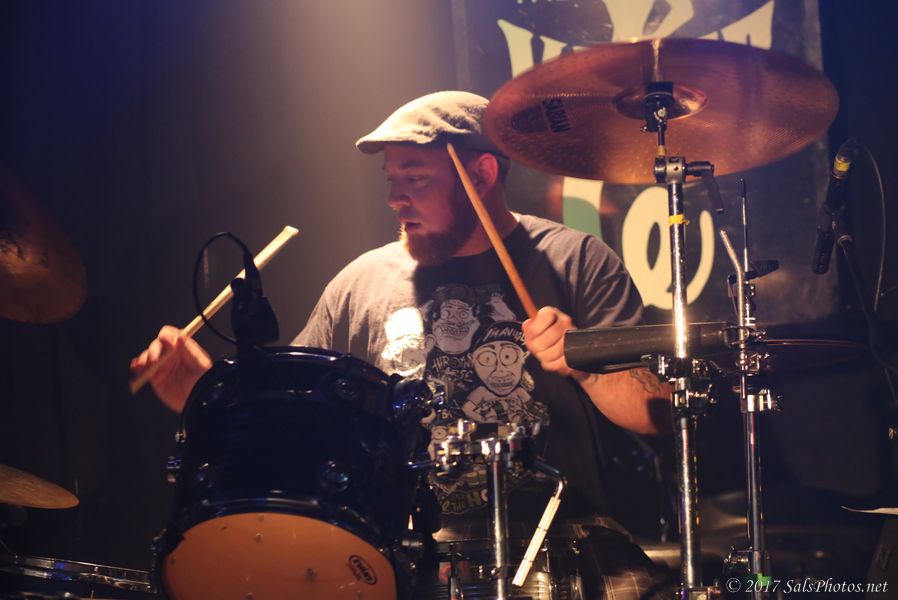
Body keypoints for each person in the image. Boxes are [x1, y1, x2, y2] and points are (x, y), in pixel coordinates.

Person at [131, 90, 673, 598]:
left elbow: (657, 413)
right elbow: (295, 426)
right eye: (391, 179)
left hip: (561, 540)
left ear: (482, 174)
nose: (394, 199)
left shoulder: (575, 260)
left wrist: (585, 362)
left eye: (415, 178)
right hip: (409, 553)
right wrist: (211, 397)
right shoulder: (359, 285)